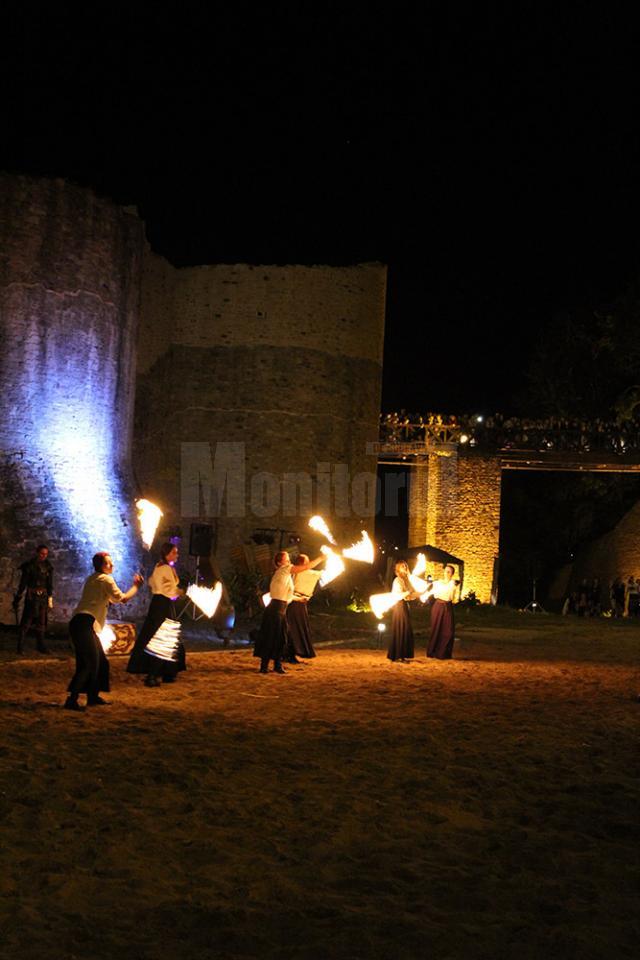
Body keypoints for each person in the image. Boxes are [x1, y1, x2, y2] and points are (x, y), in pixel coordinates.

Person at [64, 552, 143, 712]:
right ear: (101, 566)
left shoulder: (93, 578)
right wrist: (136, 586)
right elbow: (122, 598)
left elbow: (107, 599)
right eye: (108, 563)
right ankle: (71, 699)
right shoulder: (106, 579)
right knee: (89, 663)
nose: (112, 565)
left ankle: (93, 696)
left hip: (81, 624)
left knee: (100, 661)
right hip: (84, 624)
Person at [127, 542, 186, 687]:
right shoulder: (165, 568)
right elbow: (170, 590)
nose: (176, 555)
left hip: (158, 604)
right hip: (163, 605)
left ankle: (168, 673)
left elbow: (153, 583)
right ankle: (153, 675)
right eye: (174, 552)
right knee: (163, 639)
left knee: (161, 637)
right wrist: (182, 592)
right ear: (167, 554)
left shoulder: (159, 566)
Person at [254, 550, 322, 674]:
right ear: (280, 563)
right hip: (275, 610)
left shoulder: (285, 575)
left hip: (281, 609)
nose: (289, 560)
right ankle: (264, 666)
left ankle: (277, 665)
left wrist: (300, 599)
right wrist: (321, 558)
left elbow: (286, 595)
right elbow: (306, 567)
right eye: (286, 559)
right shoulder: (284, 570)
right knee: (271, 638)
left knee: (281, 638)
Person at [13, 544, 54, 654]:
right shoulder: (29, 566)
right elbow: (23, 583)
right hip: (32, 597)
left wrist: (50, 597)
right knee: (27, 621)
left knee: (41, 622)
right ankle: (20, 647)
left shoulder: (48, 566)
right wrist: (18, 596)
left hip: (43, 597)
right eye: (41, 553)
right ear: (37, 552)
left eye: (45, 554)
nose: (43, 556)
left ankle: (41, 646)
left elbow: (49, 583)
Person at [285, 554, 323, 662]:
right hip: (296, 603)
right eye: (307, 561)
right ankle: (289, 654)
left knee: (294, 629)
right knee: (294, 629)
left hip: (296, 604)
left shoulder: (296, 572)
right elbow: (324, 573)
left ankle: (289, 653)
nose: (309, 562)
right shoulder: (303, 573)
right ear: (303, 563)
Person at [427, 563, 459, 660]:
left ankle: (443, 653)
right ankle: (432, 651)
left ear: (452, 574)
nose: (446, 573)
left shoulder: (452, 583)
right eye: (445, 571)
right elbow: (432, 592)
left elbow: (451, 591)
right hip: (438, 606)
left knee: (448, 631)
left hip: (447, 607)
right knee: (436, 628)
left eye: (449, 572)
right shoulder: (438, 583)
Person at [387, 561, 417, 662]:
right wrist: (409, 592)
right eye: (402, 566)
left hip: (403, 605)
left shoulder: (405, 580)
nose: (405, 567)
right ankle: (398, 655)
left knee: (405, 629)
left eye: (406, 566)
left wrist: (418, 594)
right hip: (399, 606)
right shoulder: (397, 580)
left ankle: (401, 654)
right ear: (398, 569)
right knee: (401, 628)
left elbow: (410, 595)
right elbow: (398, 595)